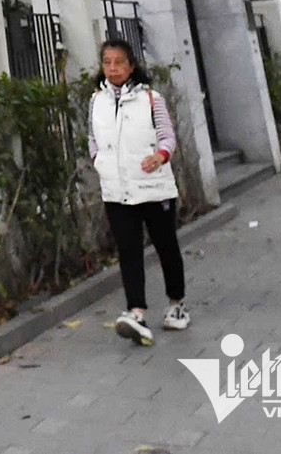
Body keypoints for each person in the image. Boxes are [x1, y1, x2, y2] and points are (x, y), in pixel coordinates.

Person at [88, 38, 189, 346]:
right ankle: (137, 313)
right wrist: (99, 162)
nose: (113, 68)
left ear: (131, 66)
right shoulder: (97, 101)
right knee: (129, 251)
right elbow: (92, 138)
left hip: (154, 188)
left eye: (119, 62)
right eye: (107, 62)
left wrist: (160, 156)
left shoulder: (150, 98)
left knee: (166, 247)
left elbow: (167, 136)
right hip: (117, 190)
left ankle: (176, 305)